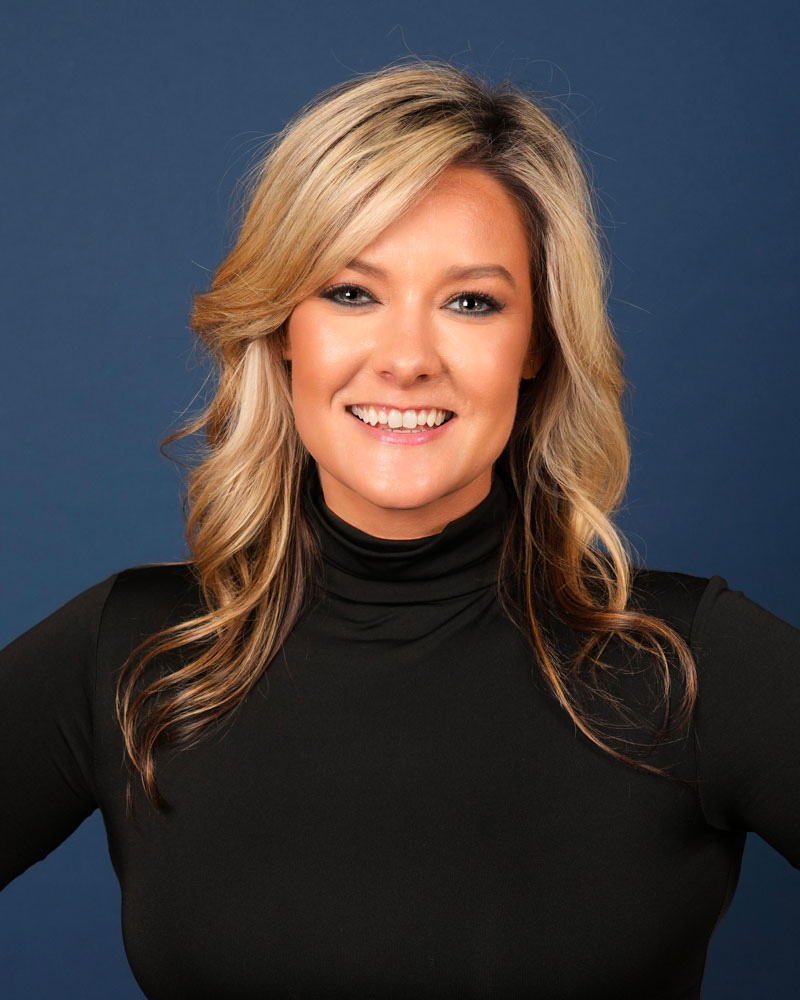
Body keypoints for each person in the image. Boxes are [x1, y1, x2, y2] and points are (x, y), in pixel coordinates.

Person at [1, 57, 798, 1000]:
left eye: (471, 302)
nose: (408, 359)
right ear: (281, 326)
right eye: (351, 292)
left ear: (538, 342)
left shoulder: (689, 666)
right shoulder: (132, 655)